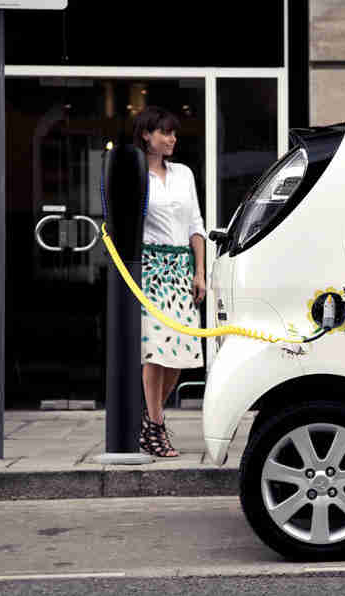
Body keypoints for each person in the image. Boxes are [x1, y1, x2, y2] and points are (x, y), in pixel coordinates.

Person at [133, 106, 206, 457]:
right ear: (146, 135)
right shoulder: (136, 175)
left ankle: (148, 421)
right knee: (155, 351)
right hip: (151, 269)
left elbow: (196, 225)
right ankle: (156, 427)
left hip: (181, 269)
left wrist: (200, 272)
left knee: (179, 355)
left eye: (174, 133)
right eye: (165, 132)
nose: (172, 138)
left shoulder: (184, 174)